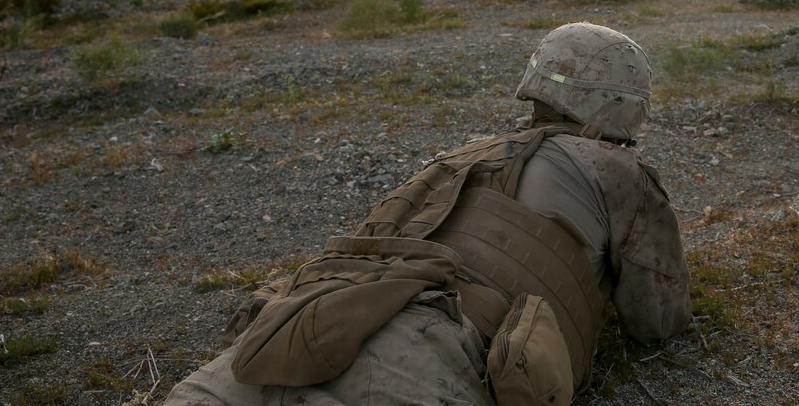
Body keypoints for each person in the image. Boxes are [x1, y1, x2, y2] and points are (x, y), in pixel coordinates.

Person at [164, 22, 691, 405]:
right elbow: (658, 320)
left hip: (302, 323)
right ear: (624, 103)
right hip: (428, 352)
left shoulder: (466, 155)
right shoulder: (619, 171)